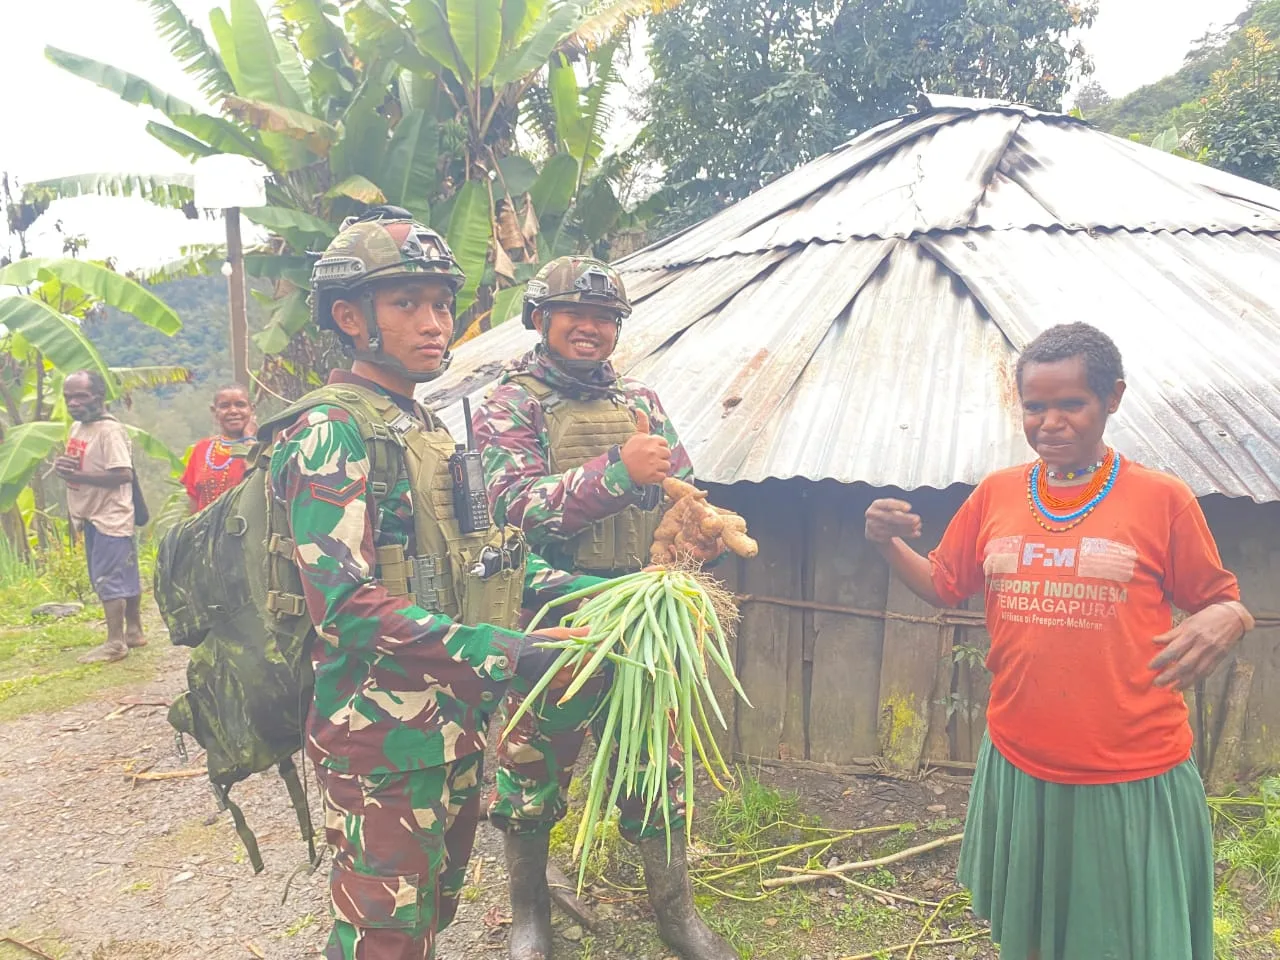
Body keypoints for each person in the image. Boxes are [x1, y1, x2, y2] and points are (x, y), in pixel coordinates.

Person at [863, 322, 1255, 960]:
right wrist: (885, 543)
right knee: (1039, 936)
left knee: (1127, 940)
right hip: (1022, 758)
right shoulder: (996, 494)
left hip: (1128, 771)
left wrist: (1230, 616)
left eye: (1071, 403)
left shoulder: (1162, 500)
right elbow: (942, 583)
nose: (1050, 421)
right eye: (1035, 406)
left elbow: (1223, 599)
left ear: (1112, 398)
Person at [281, 207, 597, 960]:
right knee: (382, 936)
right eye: (407, 304)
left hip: (447, 730)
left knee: (427, 916)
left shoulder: (419, 424)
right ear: (350, 316)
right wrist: (504, 651)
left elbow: (479, 559)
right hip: (380, 742)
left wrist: (588, 595)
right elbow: (346, 610)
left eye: (439, 303)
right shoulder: (332, 431)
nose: (434, 322)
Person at [473, 257, 736, 960]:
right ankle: (530, 918)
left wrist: (695, 529)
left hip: (644, 617)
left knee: (657, 769)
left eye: (604, 319)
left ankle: (676, 915)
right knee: (531, 774)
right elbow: (511, 511)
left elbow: (679, 486)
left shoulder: (640, 398)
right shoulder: (509, 404)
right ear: (539, 319)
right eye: (575, 315)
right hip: (558, 618)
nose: (590, 328)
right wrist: (617, 473)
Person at [56, 370, 146, 664]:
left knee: (110, 579)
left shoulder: (109, 431)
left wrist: (76, 473)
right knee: (124, 575)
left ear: (99, 396)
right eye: (69, 397)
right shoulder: (78, 428)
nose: (73, 403)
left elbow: (122, 474)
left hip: (111, 515)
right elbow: (80, 463)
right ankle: (134, 632)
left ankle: (115, 643)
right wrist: (65, 465)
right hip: (91, 515)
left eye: (80, 396)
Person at [181, 383, 256, 512]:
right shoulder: (201, 449)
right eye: (225, 406)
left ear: (252, 409)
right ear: (214, 411)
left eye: (240, 405)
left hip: (249, 530)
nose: (233, 411)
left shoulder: (265, 448)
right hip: (206, 531)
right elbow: (193, 504)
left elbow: (258, 482)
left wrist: (249, 439)